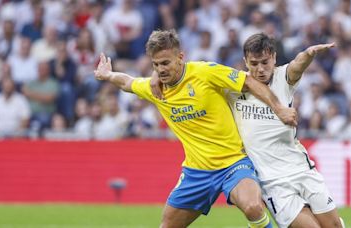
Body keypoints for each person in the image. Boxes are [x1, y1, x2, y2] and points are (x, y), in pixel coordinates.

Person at [94, 29, 296, 228]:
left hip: (234, 163)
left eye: (166, 63)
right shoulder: (155, 89)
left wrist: (279, 108)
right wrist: (108, 74)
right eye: (156, 65)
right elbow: (128, 82)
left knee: (253, 207)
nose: (161, 69)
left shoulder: (205, 72)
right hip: (196, 172)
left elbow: (249, 81)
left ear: (180, 57)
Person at [226, 33, 343, 228]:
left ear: (273, 57)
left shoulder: (282, 77)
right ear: (245, 61)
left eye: (265, 62)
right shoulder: (234, 86)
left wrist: (309, 53)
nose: (260, 69)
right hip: (272, 182)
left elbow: (298, 64)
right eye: (254, 63)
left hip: (301, 169)